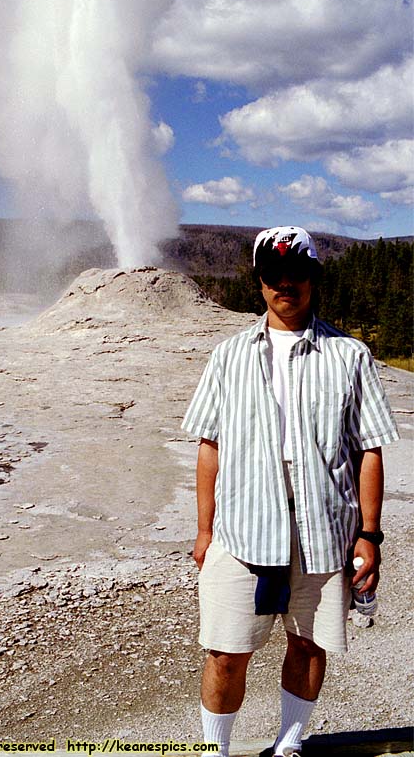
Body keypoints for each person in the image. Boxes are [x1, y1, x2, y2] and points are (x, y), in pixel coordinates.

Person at [181, 226, 398, 757]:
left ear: (313, 279)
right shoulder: (227, 355)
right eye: (274, 276)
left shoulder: (351, 356)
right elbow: (209, 446)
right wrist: (205, 531)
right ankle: (215, 750)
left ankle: (289, 744)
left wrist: (369, 535)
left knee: (308, 643)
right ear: (259, 284)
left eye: (296, 274)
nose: (286, 285)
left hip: (323, 533)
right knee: (226, 653)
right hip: (242, 530)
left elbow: (370, 450)